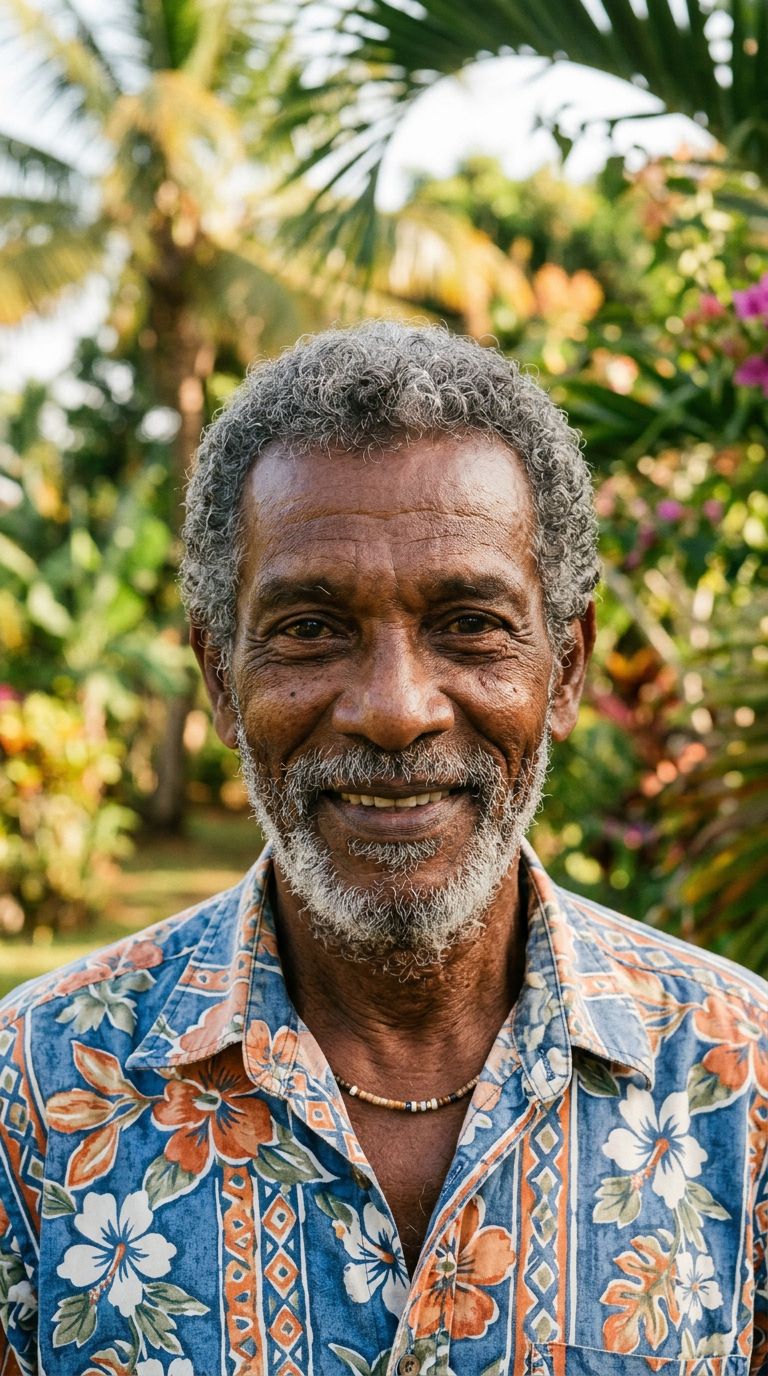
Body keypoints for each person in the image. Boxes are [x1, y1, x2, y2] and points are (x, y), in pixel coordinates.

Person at [1, 321, 766, 1376]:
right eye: (312, 628)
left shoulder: (742, 1084)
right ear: (221, 678)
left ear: (567, 667)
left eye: (470, 623)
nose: (397, 710)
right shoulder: (33, 1097)